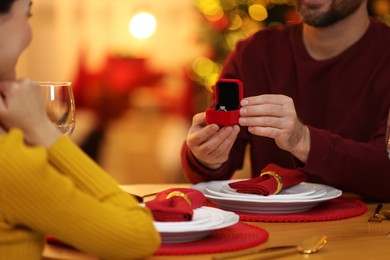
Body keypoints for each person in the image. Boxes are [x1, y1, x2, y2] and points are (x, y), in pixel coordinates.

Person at [181, 0, 390, 202]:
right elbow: (211, 172)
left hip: (366, 232)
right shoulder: (255, 53)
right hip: (273, 230)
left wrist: (304, 141)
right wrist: (206, 156)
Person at [0, 1, 160, 259]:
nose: (30, 34)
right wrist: (42, 129)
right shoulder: (9, 162)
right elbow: (140, 234)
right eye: (27, 15)